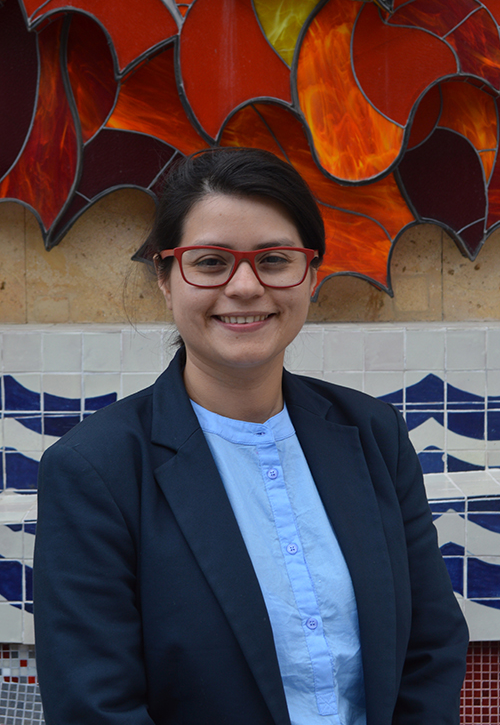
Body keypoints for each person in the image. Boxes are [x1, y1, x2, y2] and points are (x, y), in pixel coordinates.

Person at [34, 148, 468, 725]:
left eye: (275, 259)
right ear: (165, 278)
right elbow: (95, 706)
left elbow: (431, 647)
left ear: (311, 275)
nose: (244, 286)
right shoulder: (95, 469)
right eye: (211, 262)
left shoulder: (373, 435)